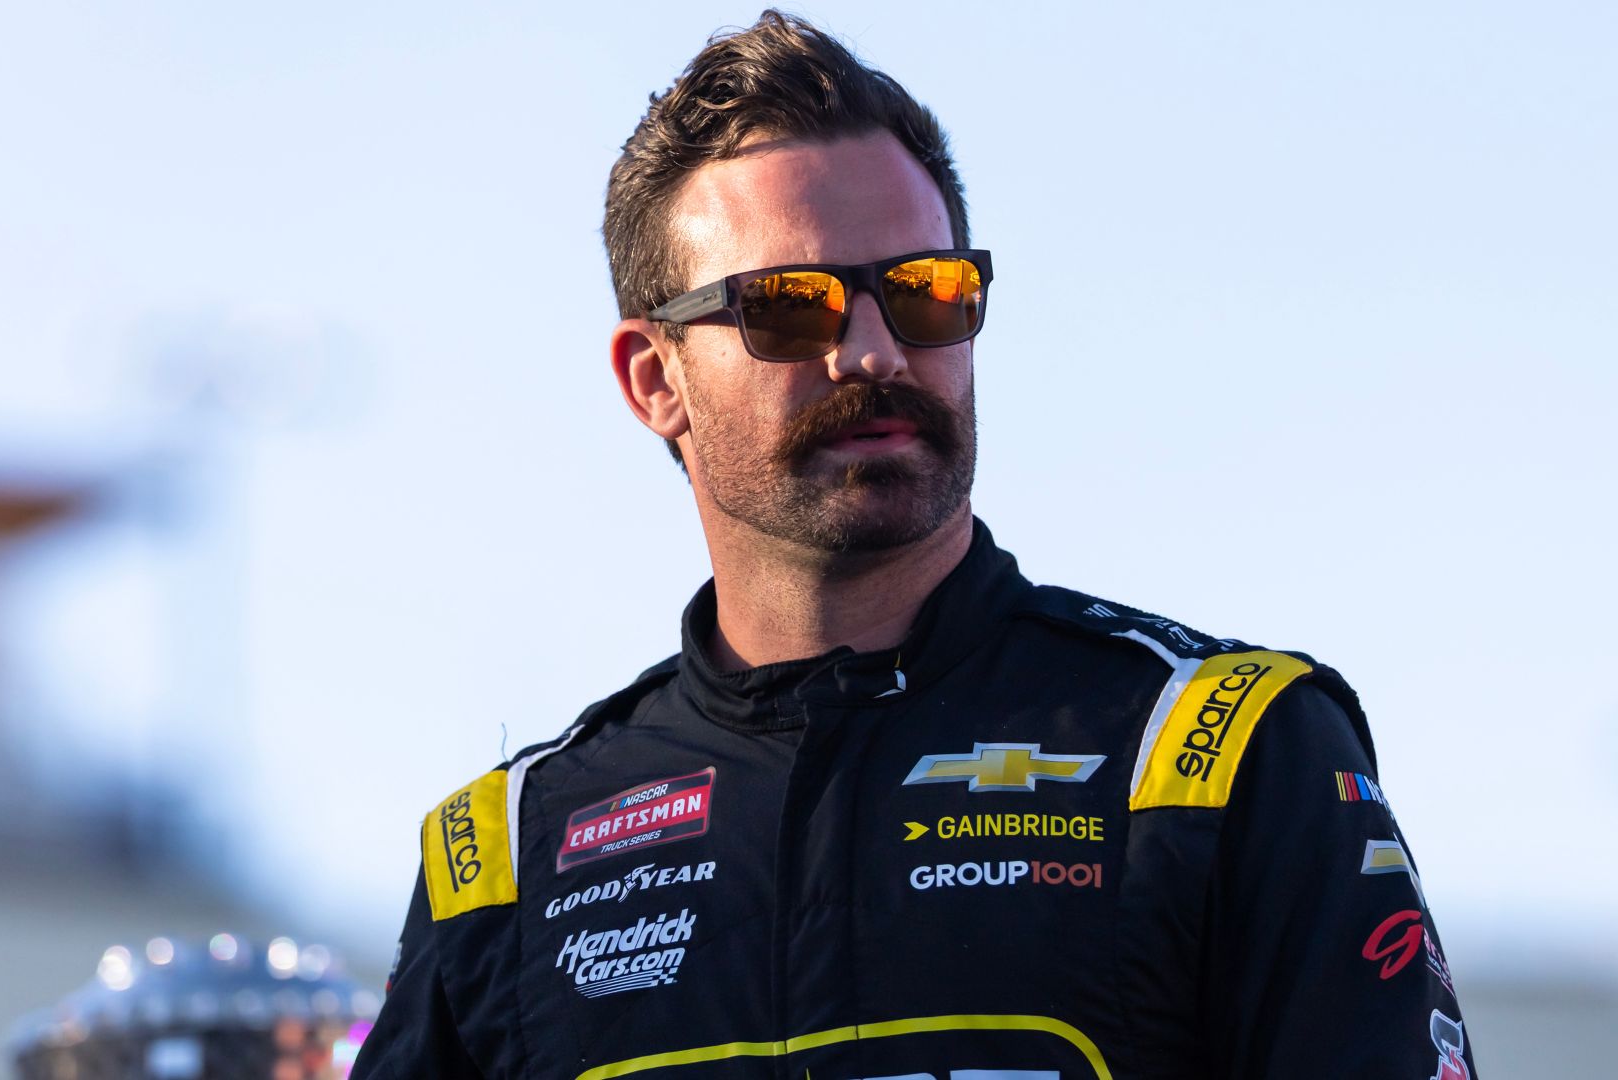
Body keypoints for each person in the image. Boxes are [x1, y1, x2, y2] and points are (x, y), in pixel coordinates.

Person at [353, 11, 1476, 1079]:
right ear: (656, 381)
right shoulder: (499, 854)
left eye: (927, 293)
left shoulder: (1221, 751)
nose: (877, 353)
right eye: (793, 307)